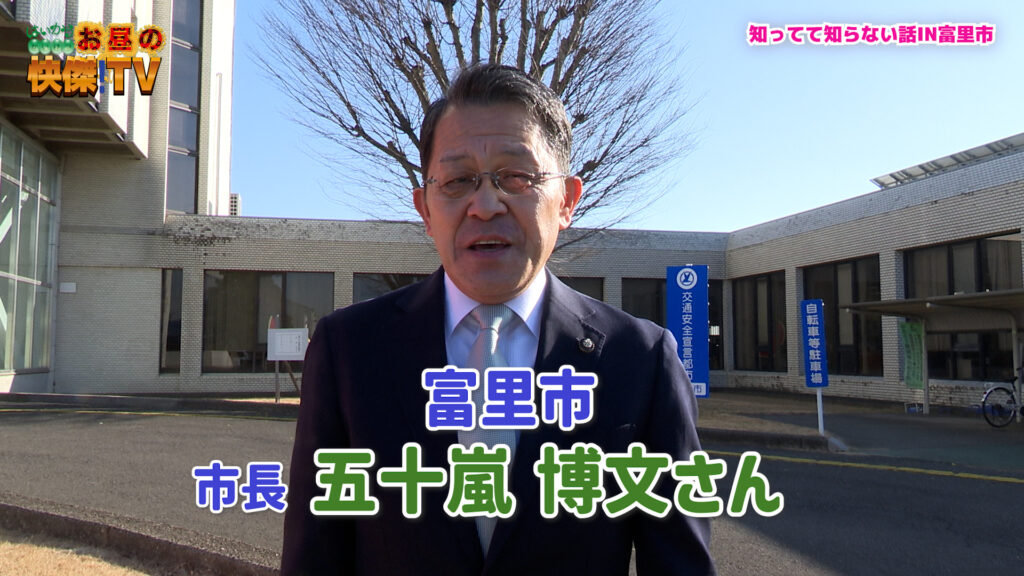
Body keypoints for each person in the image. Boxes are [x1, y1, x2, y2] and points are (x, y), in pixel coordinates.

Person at [281, 64, 715, 576]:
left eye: (516, 177)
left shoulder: (640, 359)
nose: (485, 206)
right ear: (425, 209)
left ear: (567, 201)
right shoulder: (347, 349)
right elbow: (314, 554)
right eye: (457, 181)